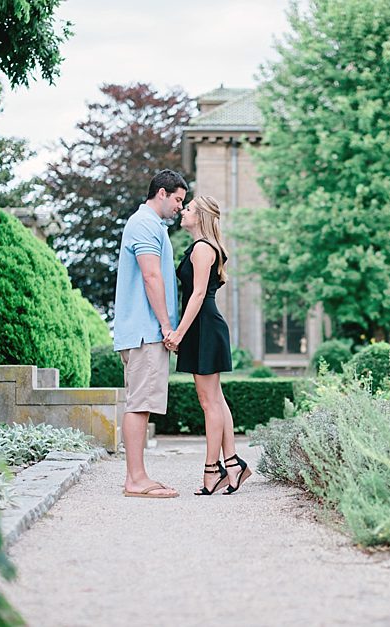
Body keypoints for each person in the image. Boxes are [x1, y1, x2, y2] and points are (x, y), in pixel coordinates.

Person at [164, 196, 252, 496]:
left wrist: (178, 333)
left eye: (188, 209)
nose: (182, 211)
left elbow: (198, 294)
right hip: (203, 326)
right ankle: (233, 463)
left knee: (209, 402)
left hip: (203, 326)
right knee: (216, 399)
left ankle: (212, 470)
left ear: (200, 216)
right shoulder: (202, 247)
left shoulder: (203, 248)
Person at [113, 169, 187, 498]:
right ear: (161, 193)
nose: (179, 208)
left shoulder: (150, 225)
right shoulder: (143, 224)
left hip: (145, 330)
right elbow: (151, 277)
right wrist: (167, 326)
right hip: (145, 332)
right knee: (139, 404)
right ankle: (135, 480)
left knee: (141, 404)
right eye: (177, 199)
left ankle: (139, 475)